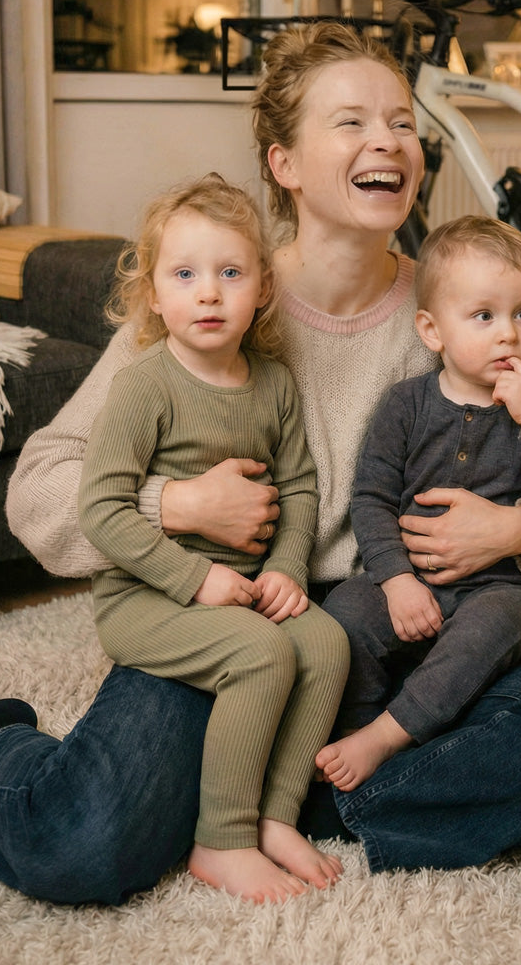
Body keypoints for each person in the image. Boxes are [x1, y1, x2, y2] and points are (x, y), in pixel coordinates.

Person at [0, 21, 521, 905]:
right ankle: (5, 743)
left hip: (397, 637)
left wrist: (517, 526)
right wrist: (176, 505)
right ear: (283, 163)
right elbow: (42, 489)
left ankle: (297, 793)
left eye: (402, 122)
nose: (386, 142)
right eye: (351, 122)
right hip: (238, 629)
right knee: (81, 848)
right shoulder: (215, 297)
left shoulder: (461, 306)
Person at [78, 173, 348, 902]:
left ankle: (274, 817)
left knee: (324, 644)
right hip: (147, 597)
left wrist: (288, 566)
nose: (207, 293)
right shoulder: (143, 386)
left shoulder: (272, 383)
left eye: (230, 273)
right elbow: (101, 510)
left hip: (243, 585)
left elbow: (297, 485)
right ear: (153, 295)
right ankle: (220, 840)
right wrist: (196, 580)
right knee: (260, 654)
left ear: (262, 288)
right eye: (185, 275)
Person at [317, 216, 521, 791]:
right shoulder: (405, 405)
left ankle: (389, 736)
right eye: (484, 316)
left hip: (504, 592)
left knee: (492, 627)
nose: (508, 334)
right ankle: (354, 734)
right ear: (432, 330)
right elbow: (370, 498)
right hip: (409, 583)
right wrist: (395, 581)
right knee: (345, 613)